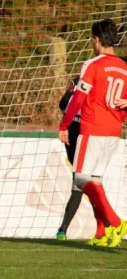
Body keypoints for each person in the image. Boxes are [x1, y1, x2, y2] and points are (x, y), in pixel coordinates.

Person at [59, 18, 127, 247]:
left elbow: (78, 98)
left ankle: (116, 222)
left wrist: (63, 125)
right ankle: (101, 233)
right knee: (94, 181)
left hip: (93, 128)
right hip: (113, 131)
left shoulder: (93, 64)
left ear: (96, 40)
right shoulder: (123, 67)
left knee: (80, 178)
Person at [55, 74, 86, 241]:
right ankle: (109, 224)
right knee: (85, 181)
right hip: (85, 132)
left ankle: (63, 229)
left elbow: (62, 104)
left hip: (70, 131)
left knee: (81, 180)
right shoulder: (97, 80)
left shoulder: (77, 78)